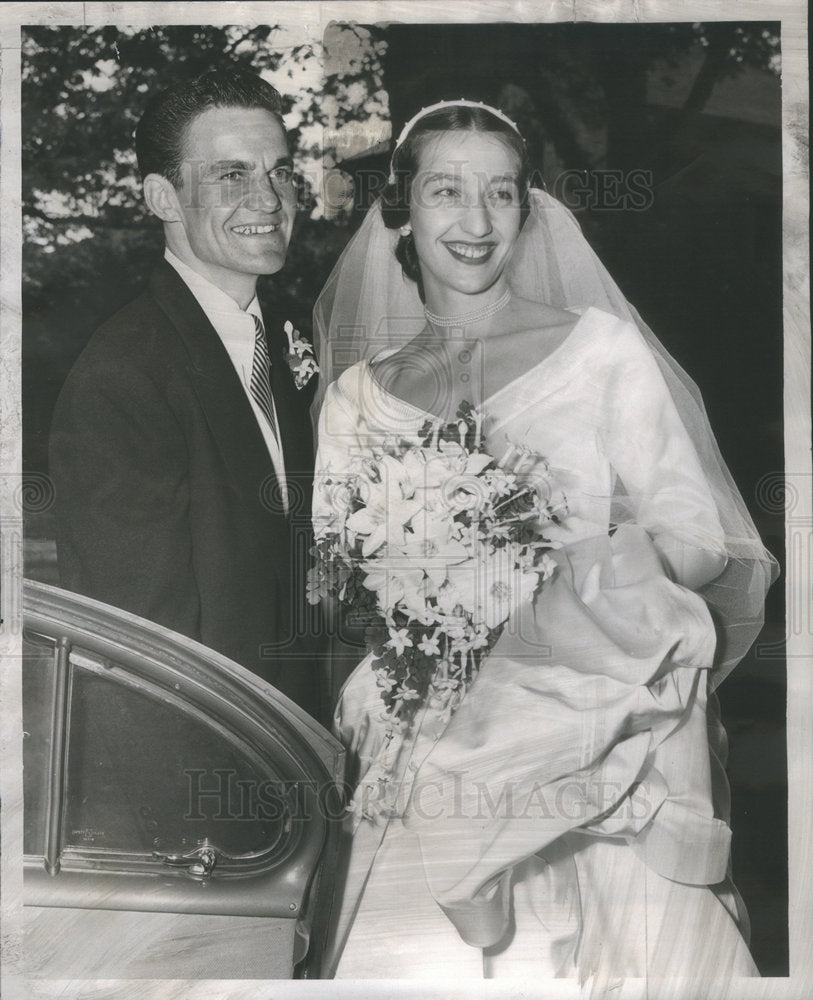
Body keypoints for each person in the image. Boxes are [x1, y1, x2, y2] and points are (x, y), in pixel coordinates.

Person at [311, 101, 777, 981]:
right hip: (423, 721)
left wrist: (582, 584)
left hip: (583, 707)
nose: (476, 221)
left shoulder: (598, 352)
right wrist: (426, 600)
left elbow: (699, 531)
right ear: (402, 209)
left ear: (529, 210)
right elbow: (343, 578)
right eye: (446, 191)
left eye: (500, 193)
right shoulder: (358, 398)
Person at [50, 69, 323, 719]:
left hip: (308, 739)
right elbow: (139, 659)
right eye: (232, 176)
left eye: (280, 172)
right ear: (163, 198)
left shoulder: (289, 340)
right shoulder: (123, 379)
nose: (269, 200)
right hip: (217, 769)